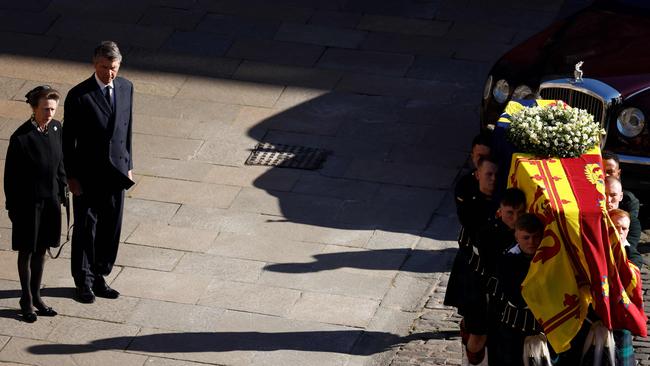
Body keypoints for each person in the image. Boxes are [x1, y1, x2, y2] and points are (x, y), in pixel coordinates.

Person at [63, 40, 134, 304]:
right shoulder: (80, 95)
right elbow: (68, 142)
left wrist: (129, 164)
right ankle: (83, 280)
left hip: (116, 172)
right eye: (104, 67)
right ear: (95, 64)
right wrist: (71, 177)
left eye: (113, 67)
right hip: (88, 175)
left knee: (111, 226)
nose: (109, 73)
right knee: (86, 228)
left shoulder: (126, 88)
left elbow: (127, 129)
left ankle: (100, 274)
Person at [4, 86, 66, 322]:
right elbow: (10, 178)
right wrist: (13, 208)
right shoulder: (21, 137)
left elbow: (60, 161)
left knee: (42, 251)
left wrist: (63, 189)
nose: (50, 113)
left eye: (53, 109)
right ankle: (26, 298)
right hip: (29, 205)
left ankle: (37, 295)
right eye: (46, 109)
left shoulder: (56, 128)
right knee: (27, 251)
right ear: (34, 108)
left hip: (50, 201)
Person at [445, 155, 500, 365]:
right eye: (489, 174)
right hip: (473, 275)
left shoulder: (504, 201)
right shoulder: (470, 202)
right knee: (478, 338)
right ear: (477, 175)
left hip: (497, 281)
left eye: (497, 174)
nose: (493, 179)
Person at [487, 213, 547, 366]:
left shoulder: (549, 259)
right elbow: (515, 297)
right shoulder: (508, 260)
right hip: (515, 324)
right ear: (516, 236)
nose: (531, 242)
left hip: (544, 325)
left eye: (536, 237)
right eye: (526, 238)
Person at [605, 176, 643, 268]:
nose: (608, 200)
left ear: (621, 196)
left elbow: (629, 251)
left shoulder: (631, 222)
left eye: (613, 195)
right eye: (604, 194)